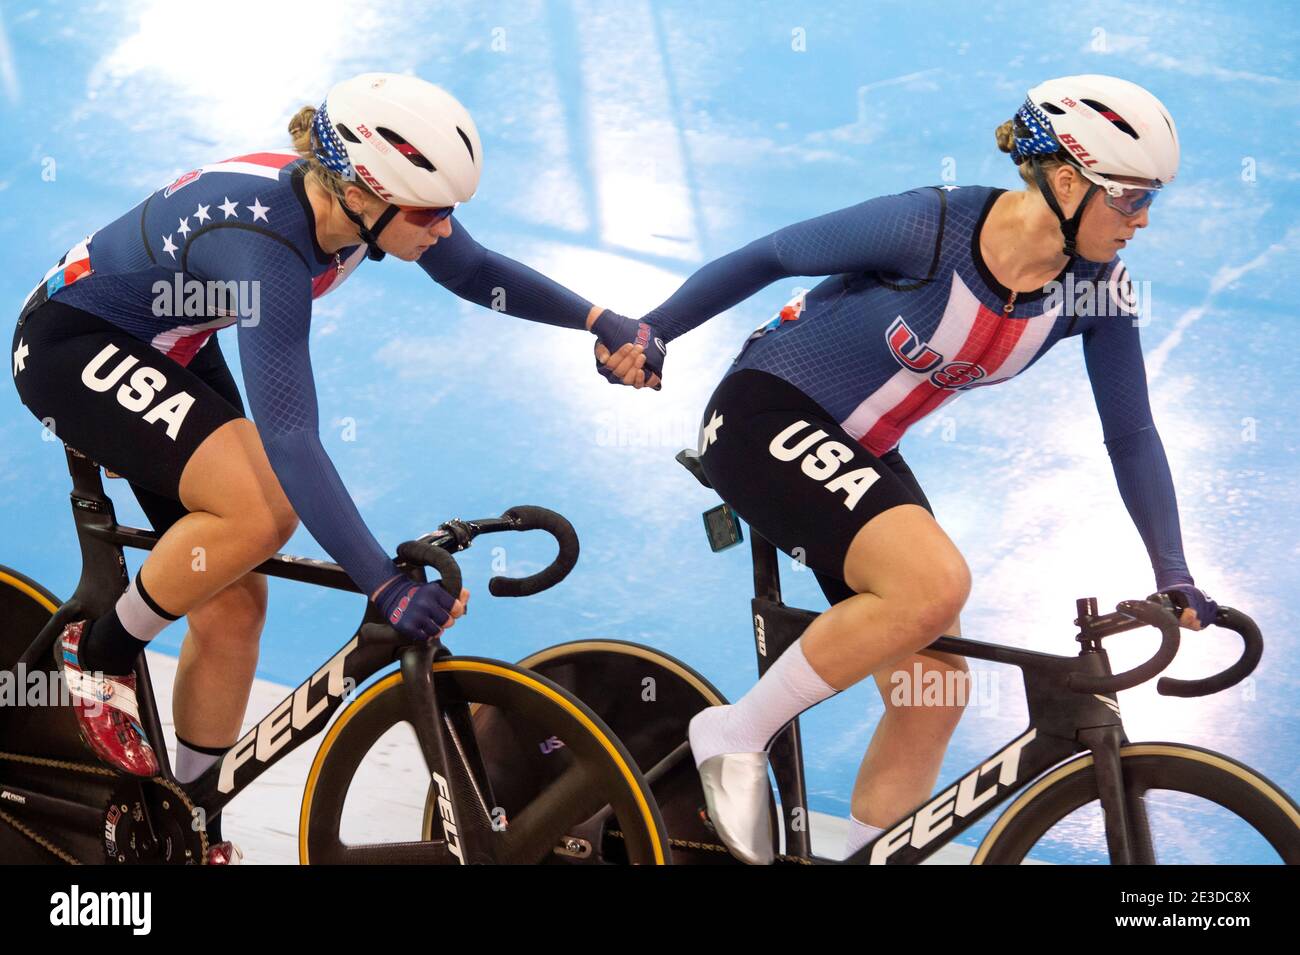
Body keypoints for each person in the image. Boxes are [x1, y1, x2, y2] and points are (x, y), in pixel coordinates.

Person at [9, 72, 655, 864]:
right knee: (260, 512)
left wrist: (598, 319)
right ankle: (101, 649)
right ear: (360, 194)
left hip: (172, 340)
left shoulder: (352, 211)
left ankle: (186, 819)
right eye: (429, 211)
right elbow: (293, 436)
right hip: (75, 345)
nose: (445, 228)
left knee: (237, 599)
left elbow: (477, 271)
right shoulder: (267, 253)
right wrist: (382, 582)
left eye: (451, 208)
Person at [619, 75, 1218, 864]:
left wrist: (1172, 568)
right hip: (763, 415)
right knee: (935, 583)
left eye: (1153, 201)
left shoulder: (1097, 291)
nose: (1143, 221)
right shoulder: (930, 226)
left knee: (932, 692)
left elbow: (1131, 433)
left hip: (861, 450)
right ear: (1068, 182)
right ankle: (733, 732)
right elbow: (771, 254)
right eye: (1133, 198)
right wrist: (655, 329)